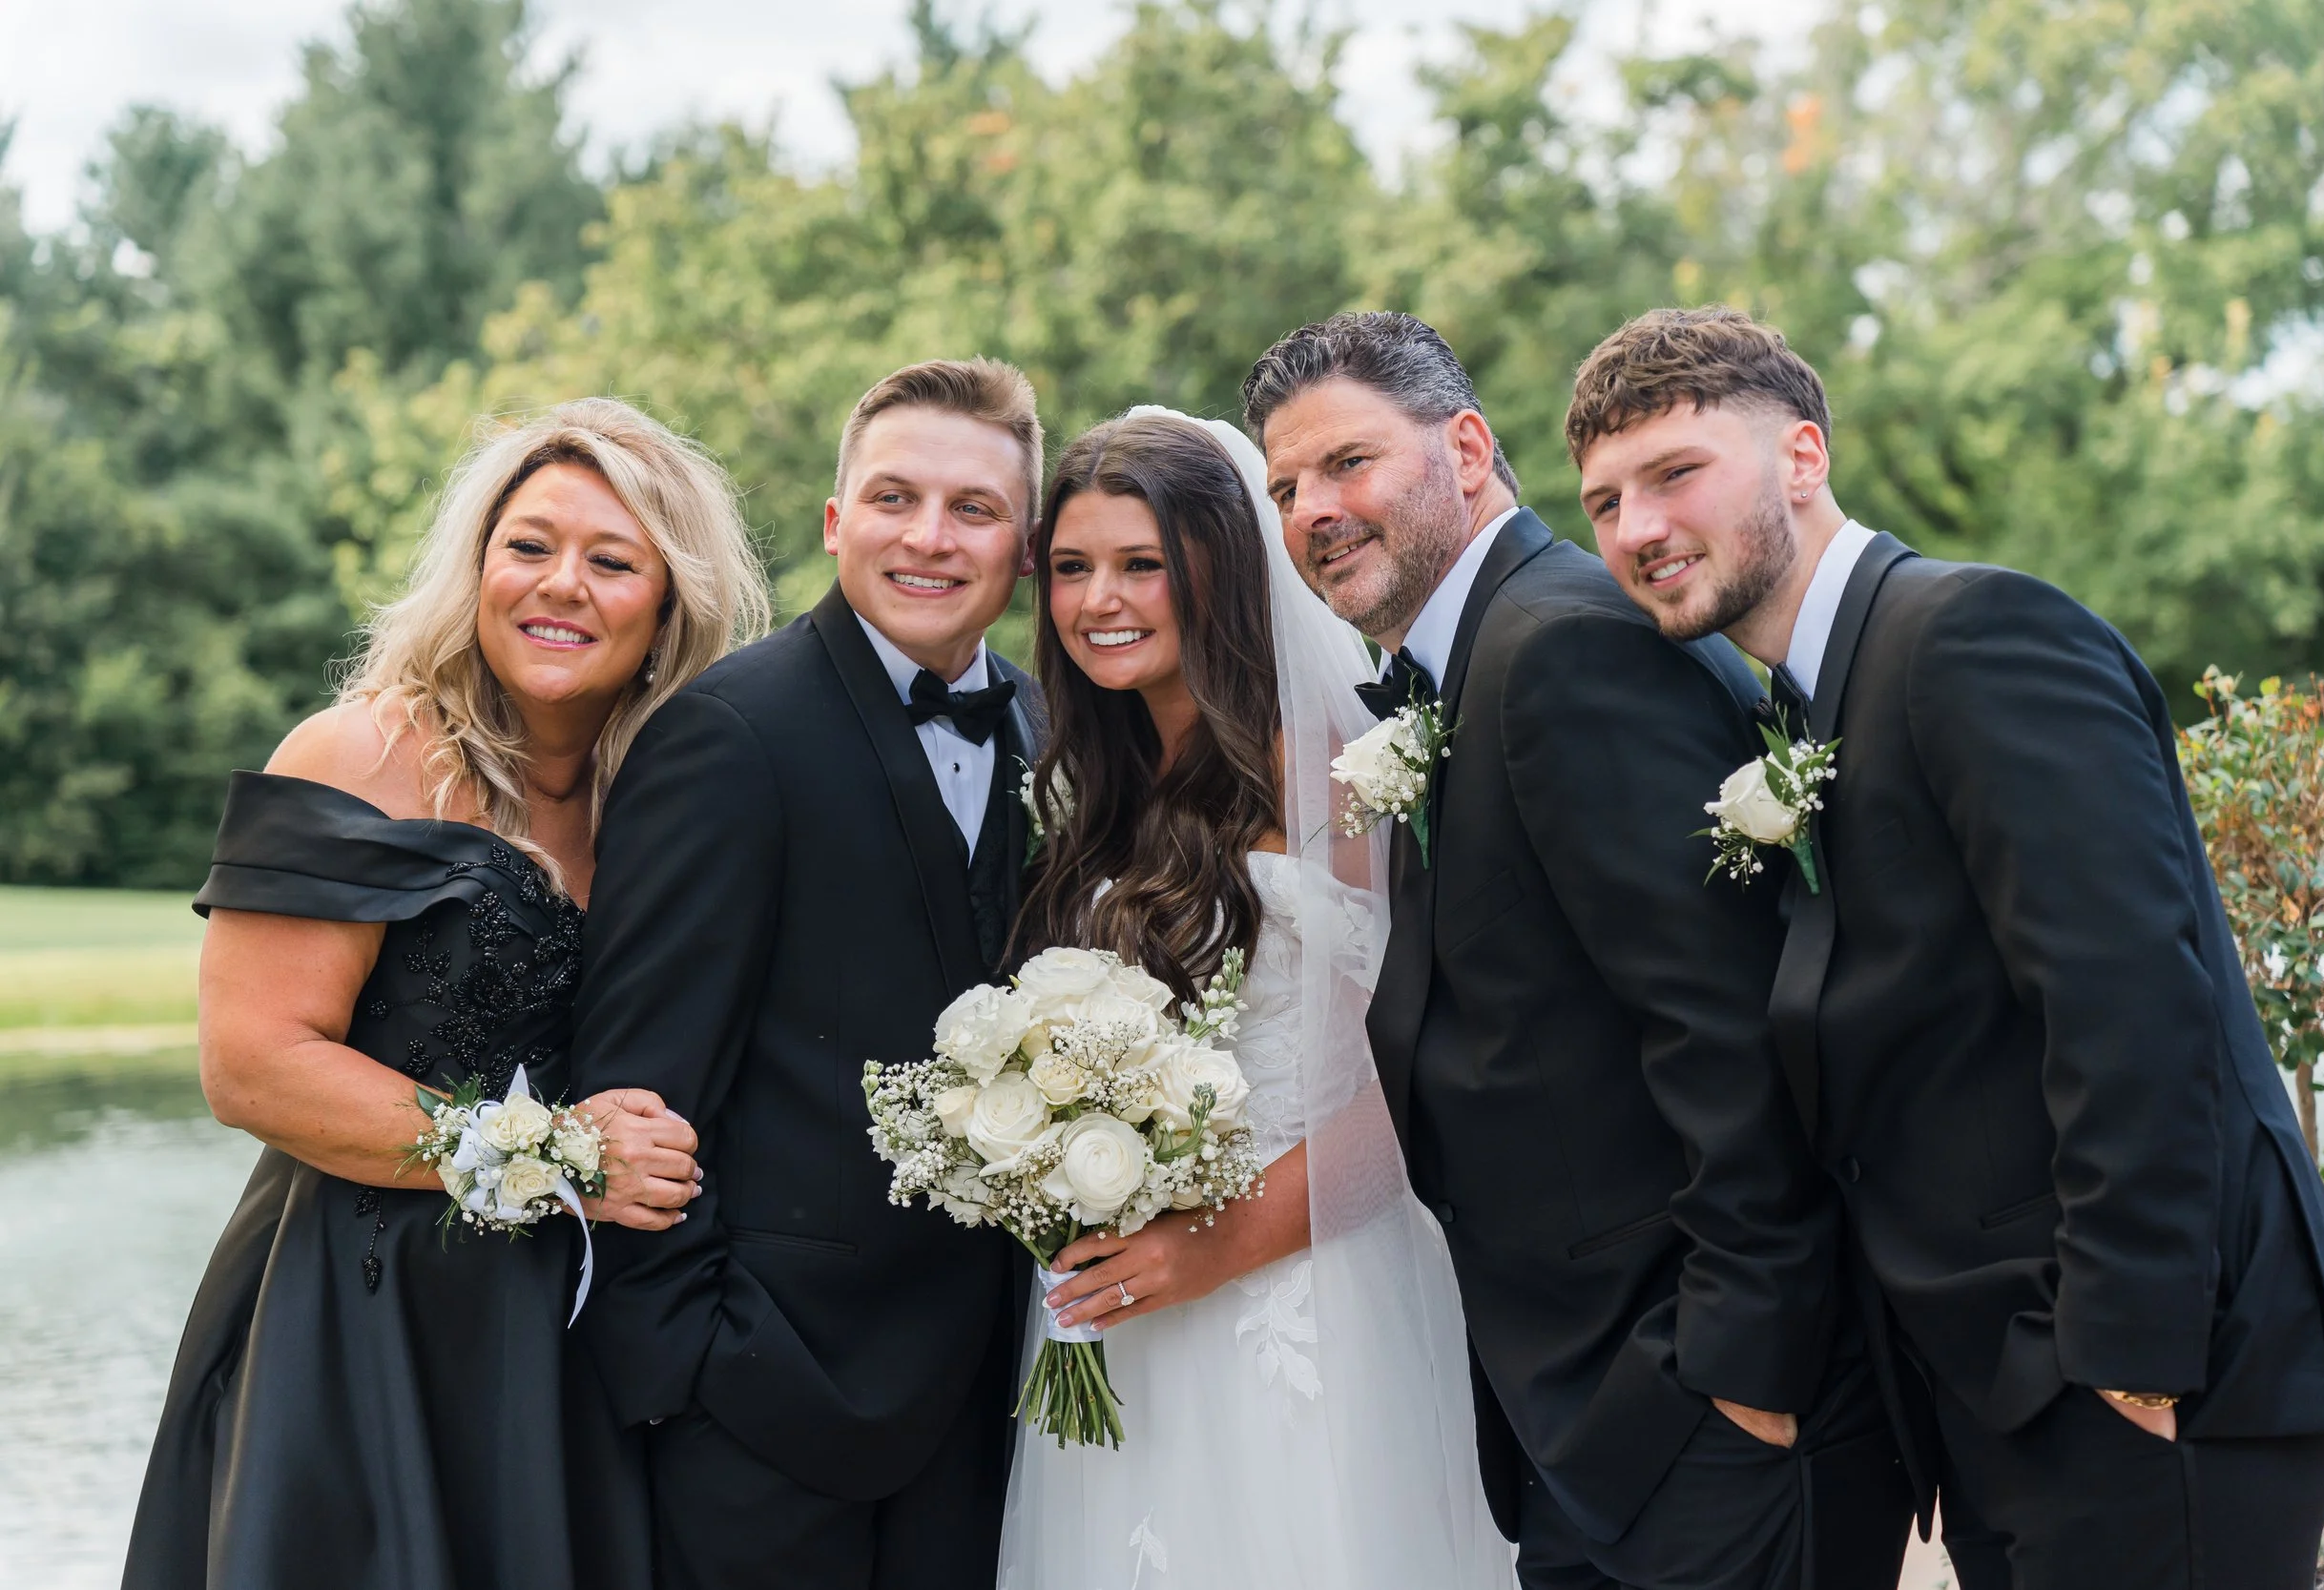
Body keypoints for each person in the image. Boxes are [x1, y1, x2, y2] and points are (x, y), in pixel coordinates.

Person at [1567, 303, 2324, 1588]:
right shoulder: (1807, 703)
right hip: (2006, 1393)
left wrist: (2131, 1351)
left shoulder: (1973, 635)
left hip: (2149, 1374)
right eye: (1605, 501)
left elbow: (2130, 996)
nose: (1637, 528)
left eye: (1675, 473)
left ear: (1802, 456)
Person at [1244, 312, 1913, 1590]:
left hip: (1709, 1420)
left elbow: (1728, 1022)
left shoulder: (1562, 648)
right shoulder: (1480, 657)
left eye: (1346, 464)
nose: (1313, 507)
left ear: (1468, 446)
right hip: (1603, 1432)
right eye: (1286, 487)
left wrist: (1741, 1376)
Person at [122, 397, 775, 1590]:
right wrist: (558, 1153)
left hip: (570, 1339)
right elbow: (253, 1063)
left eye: (611, 559)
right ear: (477, 564)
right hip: (360, 1321)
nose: (561, 584)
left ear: (671, 601)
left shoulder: (672, 797)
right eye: (529, 545)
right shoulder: (359, 755)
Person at [995, 408, 1516, 1589]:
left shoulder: (1322, 767)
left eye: (1142, 565)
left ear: (1219, 567)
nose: (1098, 601)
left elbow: (1416, 1070)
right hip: (1125, 1307)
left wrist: (1214, 1245)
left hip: (1301, 1293)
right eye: (1071, 567)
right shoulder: (1101, 777)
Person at [568, 359, 1044, 1590]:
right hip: (764, 1415)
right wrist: (699, 1371)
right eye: (894, 497)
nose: (929, 536)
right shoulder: (728, 736)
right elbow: (636, 1087)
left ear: (1026, 545)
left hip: (996, 1409)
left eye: (974, 508)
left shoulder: (1054, 728)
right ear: (838, 522)